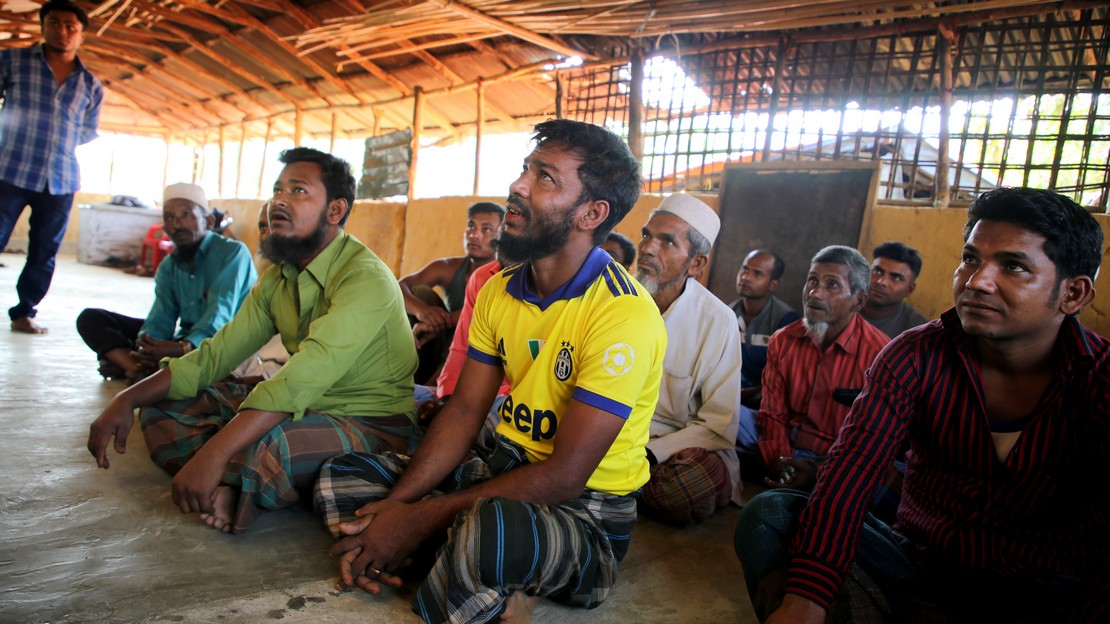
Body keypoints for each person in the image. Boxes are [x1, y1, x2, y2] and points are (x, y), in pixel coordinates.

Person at [313, 119, 665, 623]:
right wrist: (399, 508)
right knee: (341, 476)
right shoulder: (500, 289)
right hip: (499, 468)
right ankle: (457, 567)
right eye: (526, 170)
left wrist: (417, 521)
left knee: (490, 529)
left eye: (545, 178)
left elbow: (566, 477)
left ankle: (442, 557)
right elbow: (464, 411)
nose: (517, 187)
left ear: (592, 212)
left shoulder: (622, 314)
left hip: (584, 514)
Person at [735, 187, 1108, 623]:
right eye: (970, 259)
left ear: (1074, 294)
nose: (976, 281)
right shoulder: (913, 355)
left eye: (1013, 266)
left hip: (1045, 595)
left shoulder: (1099, 380)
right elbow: (849, 477)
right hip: (919, 568)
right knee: (773, 513)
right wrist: (806, 600)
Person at [86, 147, 417, 535]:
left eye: (298, 191)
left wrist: (216, 449)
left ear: (334, 210)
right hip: (300, 407)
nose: (278, 200)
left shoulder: (365, 278)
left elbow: (297, 381)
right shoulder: (278, 278)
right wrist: (127, 398)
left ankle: (232, 477)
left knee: (277, 443)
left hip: (370, 421)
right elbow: (215, 355)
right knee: (161, 407)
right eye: (277, 189)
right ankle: (238, 477)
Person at [736, 245, 890, 490]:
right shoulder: (783, 340)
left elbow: (873, 439)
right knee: (728, 414)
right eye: (812, 281)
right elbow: (772, 414)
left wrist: (819, 471)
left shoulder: (881, 354)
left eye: (832, 285)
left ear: (858, 300)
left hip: (837, 455)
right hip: (787, 443)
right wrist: (781, 462)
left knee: (888, 476)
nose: (815, 293)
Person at [632, 194, 742, 525]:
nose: (648, 248)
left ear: (696, 264)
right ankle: (620, 483)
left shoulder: (717, 321)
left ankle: (617, 483)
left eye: (667, 241)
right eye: (647, 235)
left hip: (670, 449)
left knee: (683, 488)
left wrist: (650, 454)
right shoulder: (613, 295)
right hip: (610, 435)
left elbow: (716, 425)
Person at [76, 184, 256, 382]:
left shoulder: (232, 254)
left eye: (186, 215)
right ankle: (141, 367)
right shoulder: (169, 265)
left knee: (209, 361)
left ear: (208, 221)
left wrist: (183, 348)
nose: (177, 224)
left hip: (223, 343)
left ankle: (138, 369)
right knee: (91, 319)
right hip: (183, 340)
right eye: (169, 217)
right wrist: (147, 346)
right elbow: (161, 315)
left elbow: (220, 315)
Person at [0, 0, 103, 334]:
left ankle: (23, 312)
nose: (62, 31)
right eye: (55, 23)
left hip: (60, 180)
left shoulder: (90, 86)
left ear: (81, 34)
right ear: (43, 26)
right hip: (9, 170)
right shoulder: (13, 60)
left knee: (44, 252)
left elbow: (86, 132)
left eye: (71, 26)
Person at [399, 202, 505, 382]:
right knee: (419, 293)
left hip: (476, 355)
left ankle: (435, 388)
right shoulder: (447, 267)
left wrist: (444, 320)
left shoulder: (505, 274)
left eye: (486, 230)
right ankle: (402, 378)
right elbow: (398, 286)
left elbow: (488, 314)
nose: (474, 234)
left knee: (469, 328)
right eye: (471, 226)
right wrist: (423, 312)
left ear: (501, 236)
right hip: (437, 343)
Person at [729, 249, 799, 412]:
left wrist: (745, 395)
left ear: (773, 284)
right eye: (745, 269)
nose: (746, 277)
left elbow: (785, 380)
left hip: (763, 407)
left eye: (758, 274)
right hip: (725, 398)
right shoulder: (726, 314)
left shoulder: (786, 321)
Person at [860, 241, 928, 338]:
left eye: (896, 278)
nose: (881, 281)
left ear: (910, 290)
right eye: (877, 271)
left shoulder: (917, 332)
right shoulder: (842, 305)